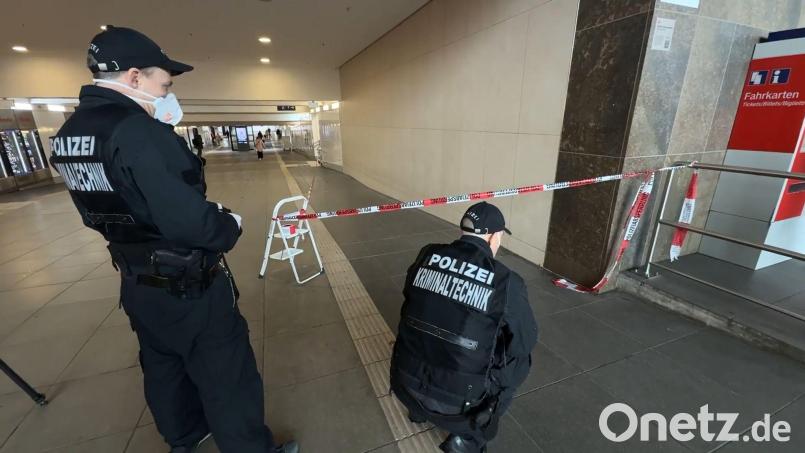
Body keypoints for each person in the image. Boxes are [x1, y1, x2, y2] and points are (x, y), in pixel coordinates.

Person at [49, 26, 297, 453]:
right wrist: (229, 224)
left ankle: (184, 437)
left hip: (136, 279)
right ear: (133, 77)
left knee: (163, 366)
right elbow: (192, 225)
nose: (167, 93)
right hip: (187, 285)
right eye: (163, 84)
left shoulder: (72, 134)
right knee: (227, 374)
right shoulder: (136, 132)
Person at [390, 202, 538, 453]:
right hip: (457, 401)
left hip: (404, 380)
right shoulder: (506, 281)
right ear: (493, 237)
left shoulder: (427, 253)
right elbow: (524, 342)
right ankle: (468, 439)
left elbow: (409, 296)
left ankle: (417, 411)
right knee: (521, 361)